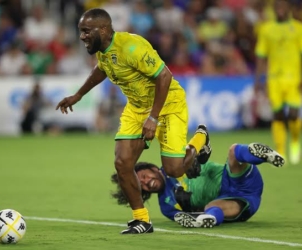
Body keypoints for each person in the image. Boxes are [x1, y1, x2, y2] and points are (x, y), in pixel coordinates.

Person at [55, 8, 208, 234]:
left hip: (168, 104)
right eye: (81, 31)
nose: (82, 36)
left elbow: (164, 76)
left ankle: (200, 140)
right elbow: (102, 69)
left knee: (174, 170)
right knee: (122, 163)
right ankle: (142, 220)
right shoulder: (104, 50)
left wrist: (153, 118)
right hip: (137, 108)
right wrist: (78, 95)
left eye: (86, 31)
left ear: (104, 29)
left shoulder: (132, 47)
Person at [111, 129, 285, 228]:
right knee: (211, 208)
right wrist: (190, 213)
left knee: (233, 152)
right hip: (237, 203)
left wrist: (196, 158)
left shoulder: (175, 162)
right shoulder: (166, 205)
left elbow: (202, 133)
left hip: (234, 177)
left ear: (153, 168)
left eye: (143, 176)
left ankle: (264, 155)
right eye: (141, 186)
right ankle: (210, 218)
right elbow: (183, 218)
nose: (145, 182)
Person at [255, 0, 302, 164]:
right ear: (274, 10)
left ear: (289, 9)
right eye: (277, 7)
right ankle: (281, 151)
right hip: (274, 78)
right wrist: (258, 80)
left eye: (283, 7)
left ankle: (295, 140)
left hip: (294, 78)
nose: (280, 10)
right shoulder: (267, 29)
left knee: (294, 115)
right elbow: (261, 56)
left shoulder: (298, 28)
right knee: (278, 115)